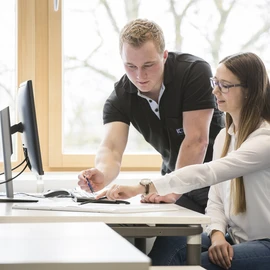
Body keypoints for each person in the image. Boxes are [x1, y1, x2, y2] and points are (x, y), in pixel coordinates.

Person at [97, 52, 270, 269]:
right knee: (173, 240)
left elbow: (208, 172)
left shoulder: (264, 139)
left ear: (249, 91)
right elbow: (215, 199)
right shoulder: (224, 137)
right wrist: (217, 235)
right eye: (215, 82)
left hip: (265, 244)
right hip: (234, 237)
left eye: (224, 85)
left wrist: (142, 187)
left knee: (198, 264)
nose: (215, 91)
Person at [78, 18, 224, 213]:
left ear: (164, 56)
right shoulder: (120, 98)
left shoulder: (193, 71)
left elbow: (197, 140)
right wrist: (102, 175)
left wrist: (173, 188)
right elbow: (111, 149)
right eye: (131, 66)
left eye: (148, 65)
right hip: (173, 183)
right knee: (164, 242)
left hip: (217, 183)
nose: (140, 76)